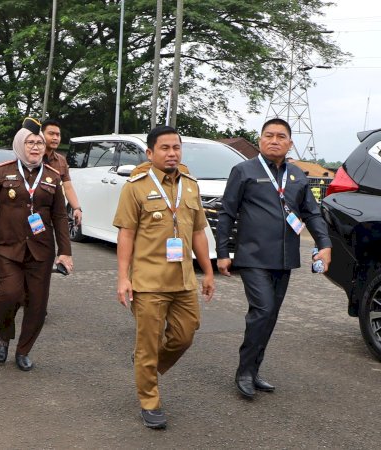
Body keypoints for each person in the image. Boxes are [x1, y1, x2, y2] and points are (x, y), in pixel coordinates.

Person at [216, 118, 331, 399]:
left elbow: (312, 213)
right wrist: (222, 253)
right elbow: (226, 212)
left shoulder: (297, 175)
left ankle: (254, 370)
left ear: (290, 143)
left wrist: (324, 244)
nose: (274, 140)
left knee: (270, 316)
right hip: (253, 256)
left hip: (284, 258)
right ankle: (244, 372)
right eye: (269, 135)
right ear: (260, 140)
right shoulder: (244, 171)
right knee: (263, 310)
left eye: (281, 136)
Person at [113, 125, 215, 429]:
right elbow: (126, 235)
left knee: (185, 334)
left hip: (183, 279)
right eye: (165, 148)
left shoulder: (191, 185)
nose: (172, 153)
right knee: (148, 343)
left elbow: (198, 232)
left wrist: (208, 271)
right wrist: (123, 277)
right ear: (150, 152)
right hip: (148, 282)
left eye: (176, 147)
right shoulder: (135, 187)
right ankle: (150, 401)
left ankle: (146, 365)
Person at [0, 117, 73, 372]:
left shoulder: (53, 176)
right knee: (9, 294)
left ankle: (23, 350)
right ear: (20, 144)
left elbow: (60, 216)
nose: (35, 147)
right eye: (30, 142)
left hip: (41, 250)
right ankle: (4, 335)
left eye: (39, 143)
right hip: (7, 248)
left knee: (37, 305)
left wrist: (65, 252)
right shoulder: (2, 172)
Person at [41, 119, 83, 226]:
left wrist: (77, 208)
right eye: (51, 134)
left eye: (58, 135)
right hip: (35, 211)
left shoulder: (61, 160)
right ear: (41, 135)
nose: (55, 138)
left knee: (62, 236)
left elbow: (68, 187)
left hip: (55, 212)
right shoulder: (32, 158)